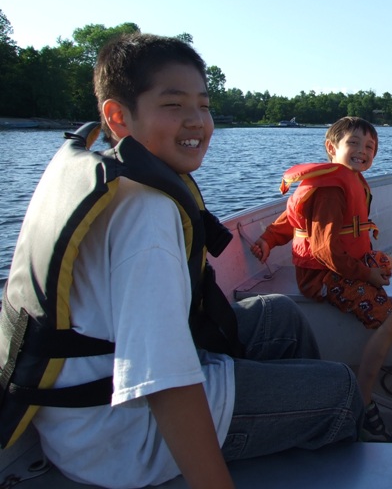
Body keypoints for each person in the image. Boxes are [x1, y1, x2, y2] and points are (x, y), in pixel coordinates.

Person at [0, 34, 363, 489]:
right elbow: (165, 383)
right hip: (124, 439)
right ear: (117, 117)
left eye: (204, 105)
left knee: (280, 316)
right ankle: (307, 430)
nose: (197, 122)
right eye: (173, 105)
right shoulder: (146, 215)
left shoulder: (111, 174)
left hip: (84, 413)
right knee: (341, 391)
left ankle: (285, 422)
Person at [251, 116, 392, 442]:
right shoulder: (332, 187)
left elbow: (292, 218)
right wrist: (366, 274)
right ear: (332, 148)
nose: (362, 151)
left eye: (370, 146)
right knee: (391, 322)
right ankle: (364, 397)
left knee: (388, 263)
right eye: (354, 143)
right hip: (322, 275)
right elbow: (323, 249)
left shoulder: (347, 179)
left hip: (340, 263)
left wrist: (268, 238)